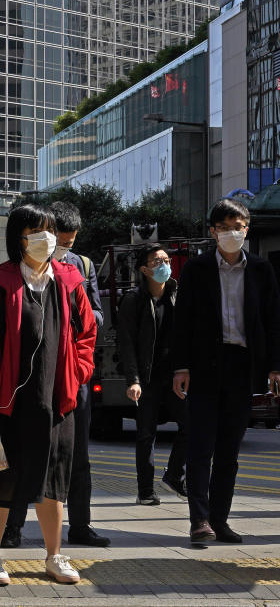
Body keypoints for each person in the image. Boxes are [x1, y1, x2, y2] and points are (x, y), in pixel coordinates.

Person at [0, 203, 97, 586]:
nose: (46, 239)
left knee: (55, 480)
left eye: (50, 231)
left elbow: (88, 334)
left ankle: (54, 556)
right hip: (8, 403)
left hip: (57, 399)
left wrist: (78, 373)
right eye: (37, 232)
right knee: (0, 481)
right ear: (18, 238)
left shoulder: (70, 279)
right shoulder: (0, 282)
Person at [1, 201, 109, 549]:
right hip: (31, 378)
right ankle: (12, 526)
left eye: (67, 242)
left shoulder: (81, 267)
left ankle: (80, 524)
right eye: (55, 237)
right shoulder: (13, 272)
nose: (59, 246)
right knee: (24, 452)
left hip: (71, 379)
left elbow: (94, 320)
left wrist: (79, 369)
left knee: (76, 456)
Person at [172, 198, 280, 544]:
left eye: (239, 227)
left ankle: (220, 519)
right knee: (201, 446)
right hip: (204, 366)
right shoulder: (196, 269)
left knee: (230, 451)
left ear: (247, 230)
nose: (233, 233)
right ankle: (199, 521)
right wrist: (181, 366)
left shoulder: (261, 269)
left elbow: (273, 320)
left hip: (242, 366)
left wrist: (275, 366)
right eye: (225, 227)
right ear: (212, 231)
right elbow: (183, 320)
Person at [117, 244, 187, 506]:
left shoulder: (176, 294)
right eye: (157, 261)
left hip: (174, 376)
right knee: (146, 433)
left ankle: (174, 476)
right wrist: (133, 379)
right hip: (147, 378)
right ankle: (146, 490)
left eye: (166, 260)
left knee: (190, 425)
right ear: (144, 269)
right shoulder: (133, 300)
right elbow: (126, 343)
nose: (164, 265)